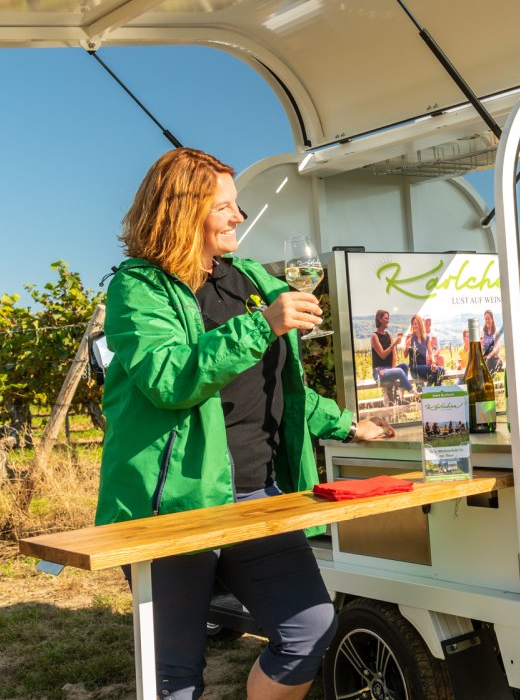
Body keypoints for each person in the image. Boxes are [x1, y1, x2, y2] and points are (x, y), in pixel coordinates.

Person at [97, 148, 393, 700]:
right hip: (175, 507)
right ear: (182, 212)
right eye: (224, 207)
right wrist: (261, 327)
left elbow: (277, 385)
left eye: (238, 205)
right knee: (174, 673)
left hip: (258, 494)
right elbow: (169, 378)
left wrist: (347, 424)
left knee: (308, 628)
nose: (239, 217)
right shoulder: (139, 289)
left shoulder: (250, 278)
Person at [369, 309, 414, 402]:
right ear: (379, 319)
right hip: (379, 372)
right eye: (386, 318)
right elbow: (382, 355)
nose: (388, 320)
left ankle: (401, 396)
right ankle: (413, 391)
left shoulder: (389, 335)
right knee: (399, 371)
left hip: (388, 370)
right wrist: (393, 344)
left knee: (404, 366)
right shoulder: (374, 336)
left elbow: (394, 354)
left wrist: (393, 369)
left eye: (388, 318)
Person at [404, 314, 444, 386]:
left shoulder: (426, 338)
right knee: (439, 371)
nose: (414, 326)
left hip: (424, 368)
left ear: (420, 324)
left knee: (441, 370)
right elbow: (405, 355)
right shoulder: (409, 337)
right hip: (414, 368)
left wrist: (433, 363)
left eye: (416, 324)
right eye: (413, 324)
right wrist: (406, 346)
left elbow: (430, 353)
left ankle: (428, 389)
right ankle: (429, 390)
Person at [480, 309, 504, 373]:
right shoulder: (482, 332)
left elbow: (496, 348)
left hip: (495, 359)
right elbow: (480, 348)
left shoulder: (496, 332)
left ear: (492, 319)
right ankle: (488, 381)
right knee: (487, 365)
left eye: (489, 318)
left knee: (491, 362)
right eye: (485, 319)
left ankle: (486, 380)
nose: (487, 321)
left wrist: (489, 356)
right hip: (485, 359)